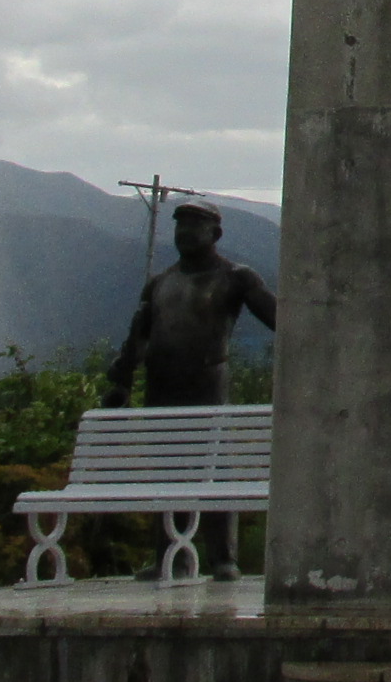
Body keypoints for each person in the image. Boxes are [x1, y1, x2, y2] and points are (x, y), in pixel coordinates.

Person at [104, 201, 279, 580]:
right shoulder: (161, 282)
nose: (184, 234)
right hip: (161, 386)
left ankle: (223, 558)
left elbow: (278, 318)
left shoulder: (236, 277)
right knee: (166, 472)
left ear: (215, 234)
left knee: (215, 469)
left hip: (206, 384)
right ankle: (172, 556)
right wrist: (122, 378)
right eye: (179, 226)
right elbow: (138, 337)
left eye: (193, 227)